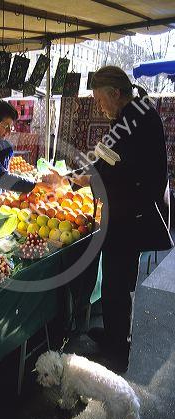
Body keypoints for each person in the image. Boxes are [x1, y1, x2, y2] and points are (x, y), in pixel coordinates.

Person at [45, 66, 173, 373]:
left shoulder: (134, 119)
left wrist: (75, 180)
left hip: (132, 213)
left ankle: (118, 350)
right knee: (118, 276)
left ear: (115, 94)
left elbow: (110, 168)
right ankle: (116, 333)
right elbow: (109, 159)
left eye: (101, 100)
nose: (99, 107)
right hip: (129, 208)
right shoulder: (135, 112)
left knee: (117, 279)